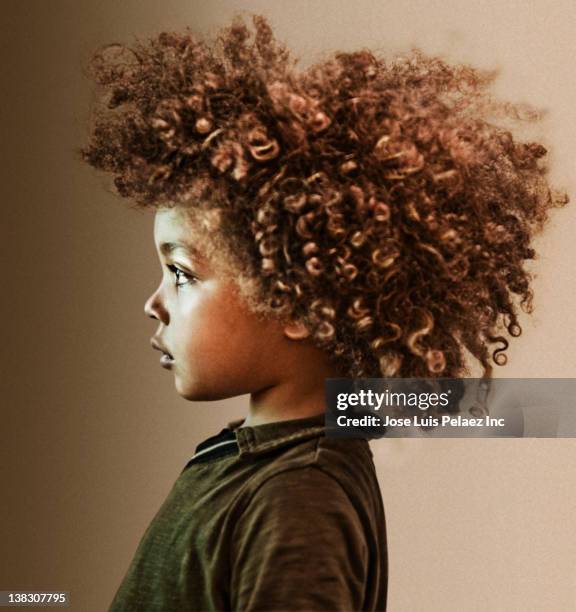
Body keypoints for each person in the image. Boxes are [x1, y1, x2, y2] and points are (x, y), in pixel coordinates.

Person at [79, 13, 567, 611]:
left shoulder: (299, 496)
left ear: (296, 302)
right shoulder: (256, 460)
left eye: (182, 274)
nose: (153, 304)